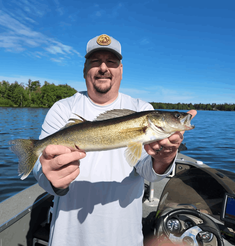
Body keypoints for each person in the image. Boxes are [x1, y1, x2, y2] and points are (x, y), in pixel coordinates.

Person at [33, 34, 197, 246]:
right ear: (85, 70)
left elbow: (147, 171)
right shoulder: (63, 109)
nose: (103, 68)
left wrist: (164, 158)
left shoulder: (142, 108)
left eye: (111, 62)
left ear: (121, 70)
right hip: (68, 238)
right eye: (95, 62)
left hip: (124, 238)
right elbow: (41, 169)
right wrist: (53, 179)